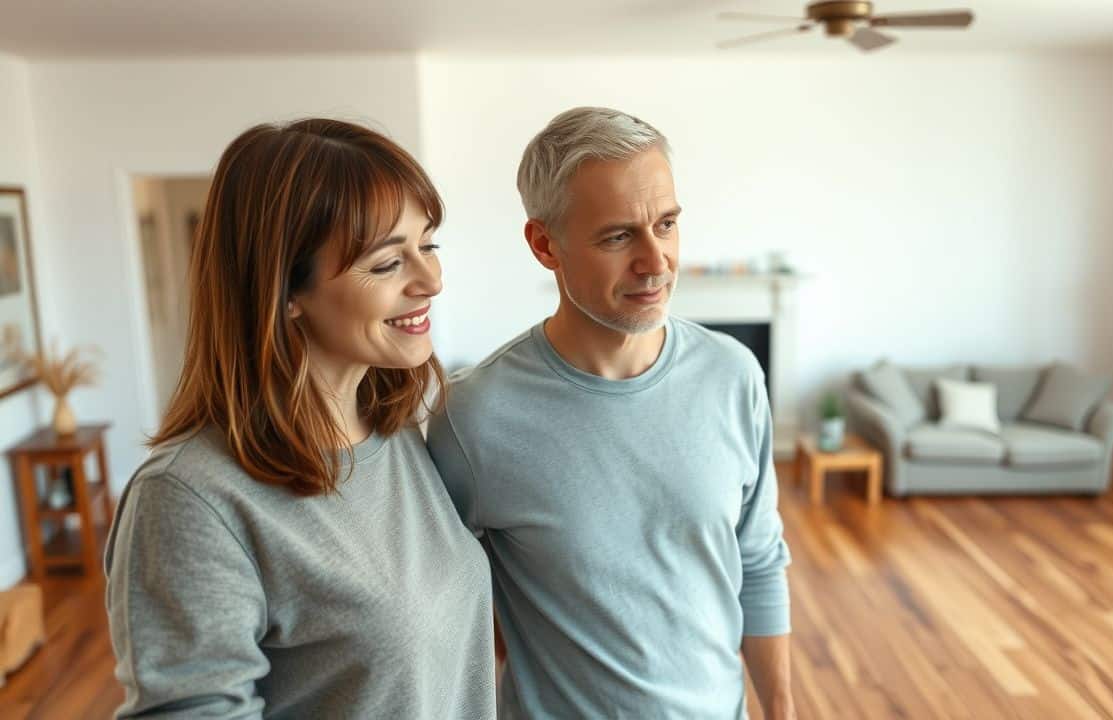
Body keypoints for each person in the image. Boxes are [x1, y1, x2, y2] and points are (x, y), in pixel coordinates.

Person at [105, 119, 495, 719]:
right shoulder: (189, 498)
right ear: (285, 289)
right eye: (388, 263)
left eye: (429, 245)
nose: (431, 280)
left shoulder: (398, 436)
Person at [428, 107, 794, 719]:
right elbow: (436, 612)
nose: (656, 261)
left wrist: (780, 709)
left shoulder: (734, 376)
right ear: (546, 245)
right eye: (619, 236)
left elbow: (758, 561)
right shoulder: (476, 420)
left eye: (667, 224)